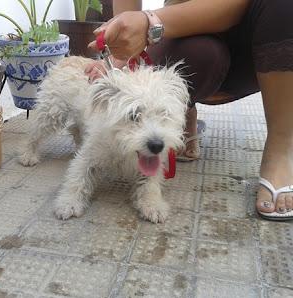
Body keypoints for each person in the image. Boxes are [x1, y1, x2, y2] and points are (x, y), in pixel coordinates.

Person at [84, 0, 293, 220]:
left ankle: (281, 147)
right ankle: (183, 110)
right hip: (185, 35)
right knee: (199, 57)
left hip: (265, 36)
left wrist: (149, 22)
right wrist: (120, 54)